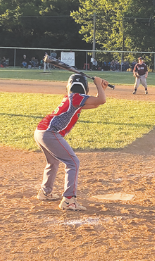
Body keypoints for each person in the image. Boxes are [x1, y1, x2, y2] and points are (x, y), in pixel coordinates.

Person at [34, 74, 109, 211]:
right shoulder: (76, 98)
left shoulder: (72, 98)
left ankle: (45, 192)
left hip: (40, 132)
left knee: (53, 162)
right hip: (50, 133)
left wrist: (101, 88)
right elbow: (101, 100)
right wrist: (98, 83)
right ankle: (69, 200)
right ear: (85, 87)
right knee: (73, 162)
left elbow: (96, 103)